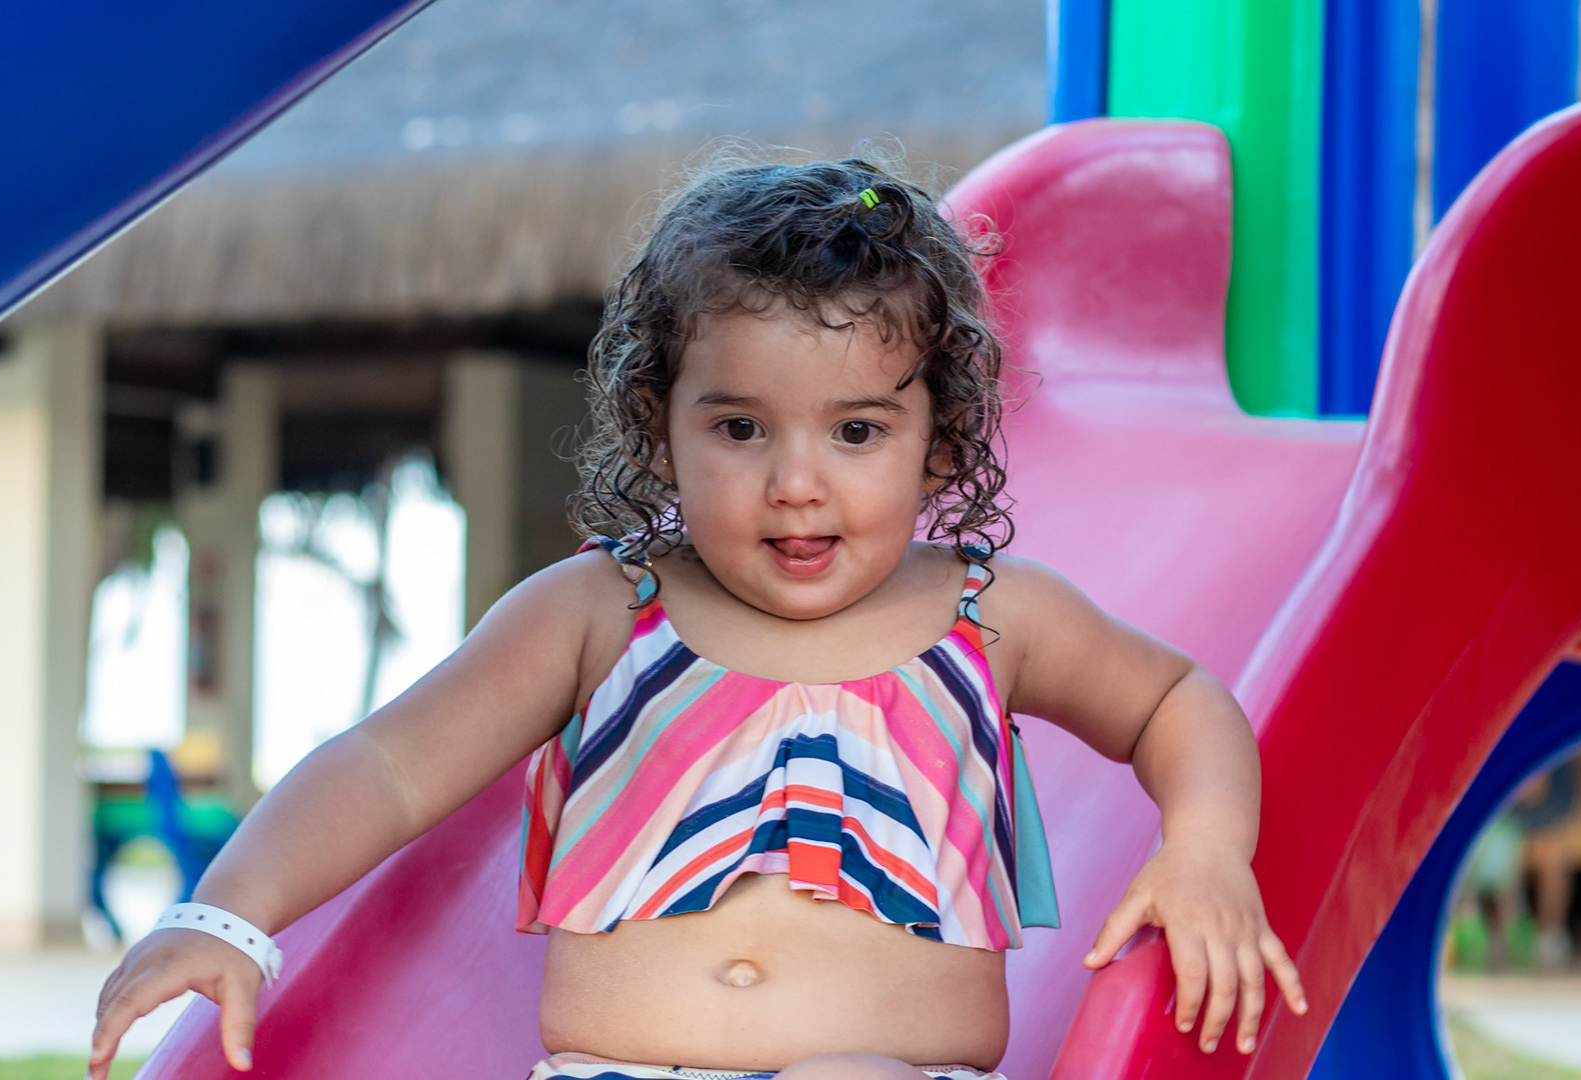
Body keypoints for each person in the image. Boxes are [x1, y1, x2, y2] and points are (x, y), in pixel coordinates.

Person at [88, 155, 1308, 1080]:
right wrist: (227, 914)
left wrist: (1204, 849)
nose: (795, 481)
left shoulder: (991, 614)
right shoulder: (599, 611)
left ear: (939, 443)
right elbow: (387, 766)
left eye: (857, 431)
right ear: (660, 429)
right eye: (739, 428)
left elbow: (1176, 700)